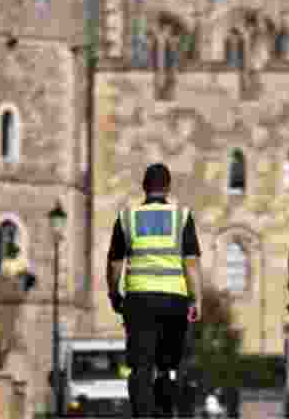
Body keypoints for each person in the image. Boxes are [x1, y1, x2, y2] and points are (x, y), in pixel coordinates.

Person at [107, 163, 203, 418]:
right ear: (168, 187)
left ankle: (143, 414)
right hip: (174, 301)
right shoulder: (181, 216)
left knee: (140, 366)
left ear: (144, 187)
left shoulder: (127, 217)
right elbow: (191, 263)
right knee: (169, 364)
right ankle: (165, 409)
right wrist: (196, 300)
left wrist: (114, 294)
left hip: (139, 301)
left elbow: (115, 264)